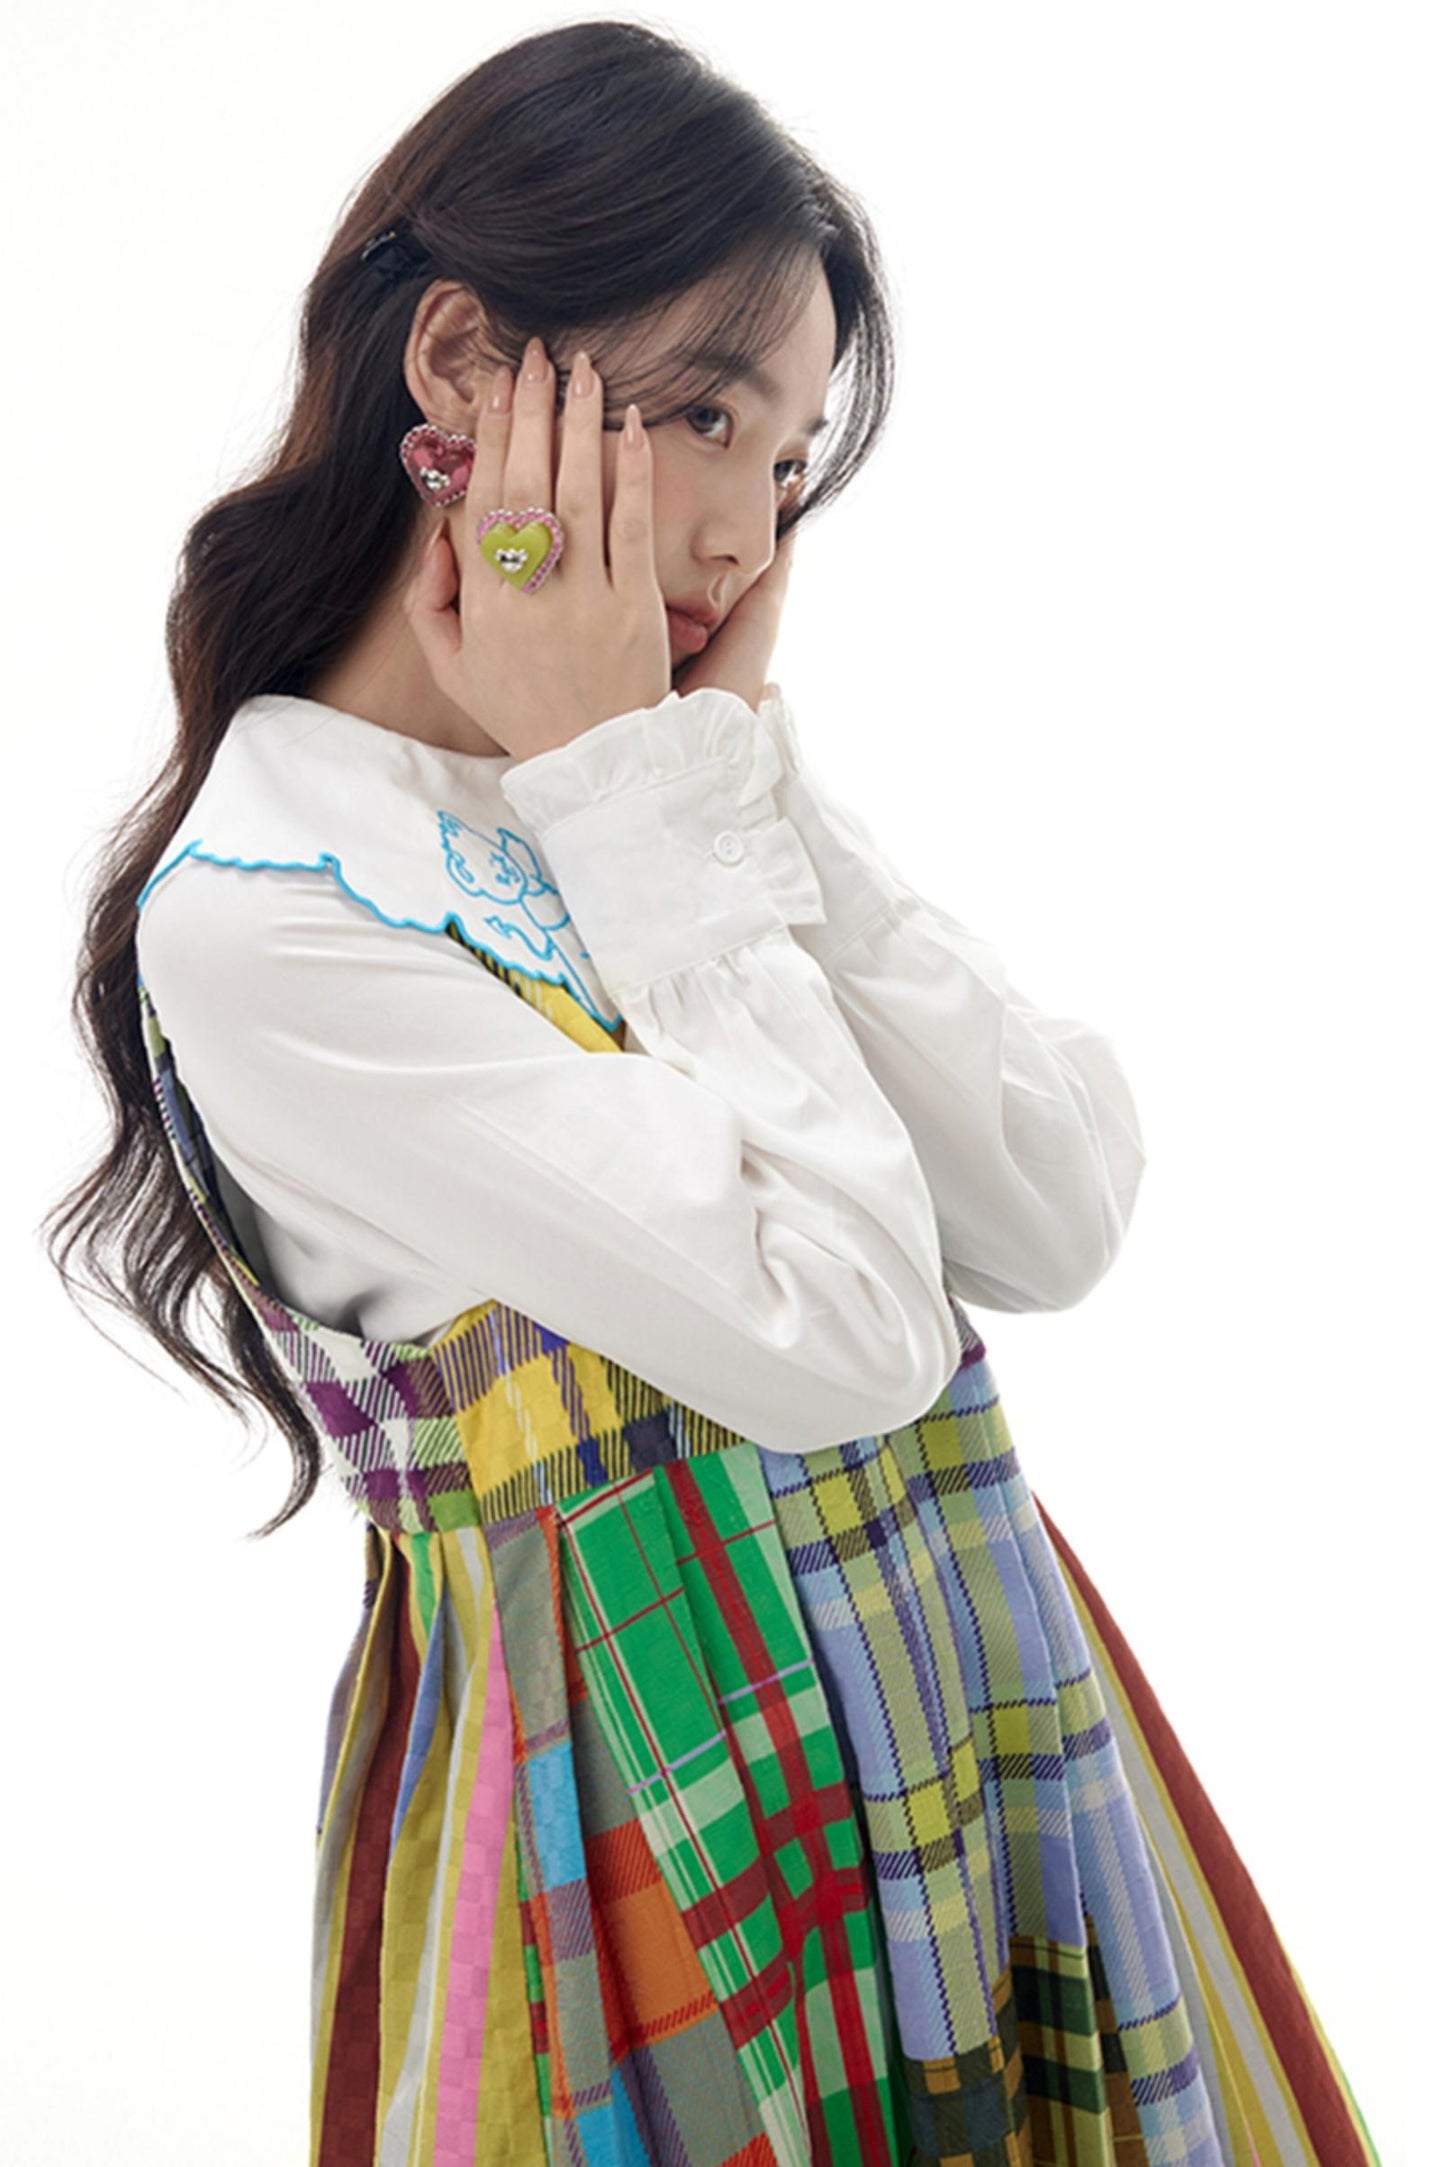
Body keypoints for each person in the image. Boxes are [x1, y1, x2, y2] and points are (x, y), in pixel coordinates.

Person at [44, 20, 1380, 2167]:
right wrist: (639, 786)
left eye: (788, 459)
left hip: (967, 1717)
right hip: (658, 1836)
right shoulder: (280, 914)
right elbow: (845, 1338)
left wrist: (712, 777)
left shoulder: (634, 795)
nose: (749, 531)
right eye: (705, 416)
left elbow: (1049, 1208)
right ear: (461, 364)